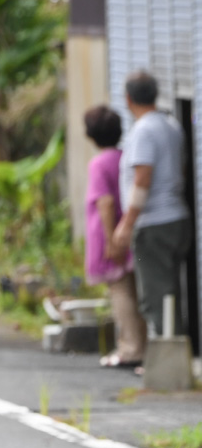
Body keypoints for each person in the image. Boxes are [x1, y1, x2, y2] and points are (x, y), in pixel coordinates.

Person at [112, 70, 192, 339]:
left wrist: (126, 225)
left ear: (128, 98)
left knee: (156, 295)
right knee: (170, 291)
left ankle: (167, 362)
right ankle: (174, 351)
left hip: (154, 224)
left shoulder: (144, 130)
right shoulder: (171, 125)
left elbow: (143, 179)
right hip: (178, 217)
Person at [84, 106, 146, 368]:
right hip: (130, 230)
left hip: (110, 234)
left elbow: (106, 203)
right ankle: (136, 345)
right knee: (133, 290)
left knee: (120, 291)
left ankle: (130, 349)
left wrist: (111, 239)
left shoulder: (99, 163)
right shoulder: (123, 156)